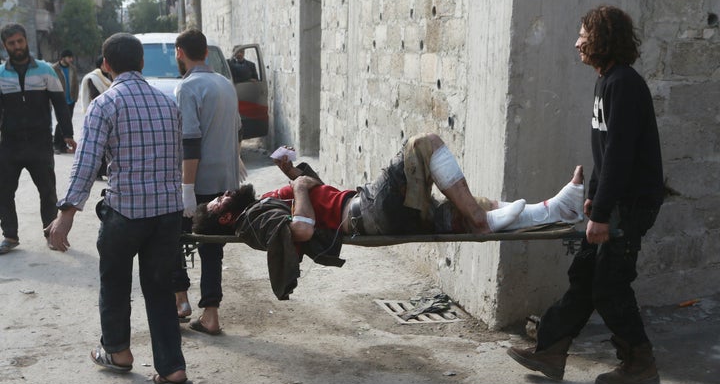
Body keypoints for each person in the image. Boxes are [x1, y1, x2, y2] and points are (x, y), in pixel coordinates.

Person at [191, 133, 585, 299]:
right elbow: (301, 228)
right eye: (217, 203)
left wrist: (292, 173)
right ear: (225, 219)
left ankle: (555, 209)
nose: (223, 195)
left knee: (474, 205)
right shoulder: (254, 219)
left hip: (364, 210)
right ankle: (480, 221)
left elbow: (315, 198)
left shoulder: (260, 205)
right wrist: (297, 187)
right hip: (366, 214)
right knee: (424, 144)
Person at [507, 5, 665, 384]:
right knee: (584, 276)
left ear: (604, 40)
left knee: (609, 284)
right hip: (614, 203)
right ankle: (551, 351)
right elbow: (607, 150)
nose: (577, 42)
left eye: (584, 35)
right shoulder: (606, 82)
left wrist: (604, 212)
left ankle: (640, 363)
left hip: (631, 206)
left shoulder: (624, 84)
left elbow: (620, 155)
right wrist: (593, 199)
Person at [45, 33, 192, 384]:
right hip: (167, 213)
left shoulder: (104, 104)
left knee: (114, 282)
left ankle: (118, 352)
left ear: (106, 66)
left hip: (125, 212)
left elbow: (86, 163)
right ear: (142, 62)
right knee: (159, 288)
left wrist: (66, 213)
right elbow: (175, 159)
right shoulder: (167, 103)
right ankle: (172, 368)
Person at [172, 29, 242, 335]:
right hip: (226, 181)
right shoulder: (225, 84)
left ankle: (181, 301)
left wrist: (187, 189)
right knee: (213, 248)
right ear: (205, 52)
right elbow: (236, 131)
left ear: (179, 53)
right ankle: (210, 315)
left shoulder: (187, 88)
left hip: (198, 181)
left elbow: (191, 141)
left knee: (171, 239)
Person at [0, 23, 77, 255]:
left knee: (47, 191)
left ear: (26, 41)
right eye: (11, 43)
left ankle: (50, 233)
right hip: (9, 145)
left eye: (20, 41)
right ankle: (10, 236)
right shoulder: (1, 75)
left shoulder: (44, 70)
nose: (17, 46)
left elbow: (60, 104)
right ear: (5, 46)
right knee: (4, 191)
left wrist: (68, 133)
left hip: (40, 143)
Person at [78, 55, 113, 179]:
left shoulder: (108, 77)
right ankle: (97, 173)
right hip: (98, 113)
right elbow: (94, 95)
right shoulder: (93, 78)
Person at [51, 49, 79, 154]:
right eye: (69, 57)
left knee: (67, 122)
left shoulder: (73, 69)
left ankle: (63, 145)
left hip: (71, 100)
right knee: (61, 122)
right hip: (59, 100)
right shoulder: (54, 69)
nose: (71, 59)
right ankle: (56, 145)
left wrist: (75, 98)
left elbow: (76, 84)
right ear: (63, 58)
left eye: (71, 57)